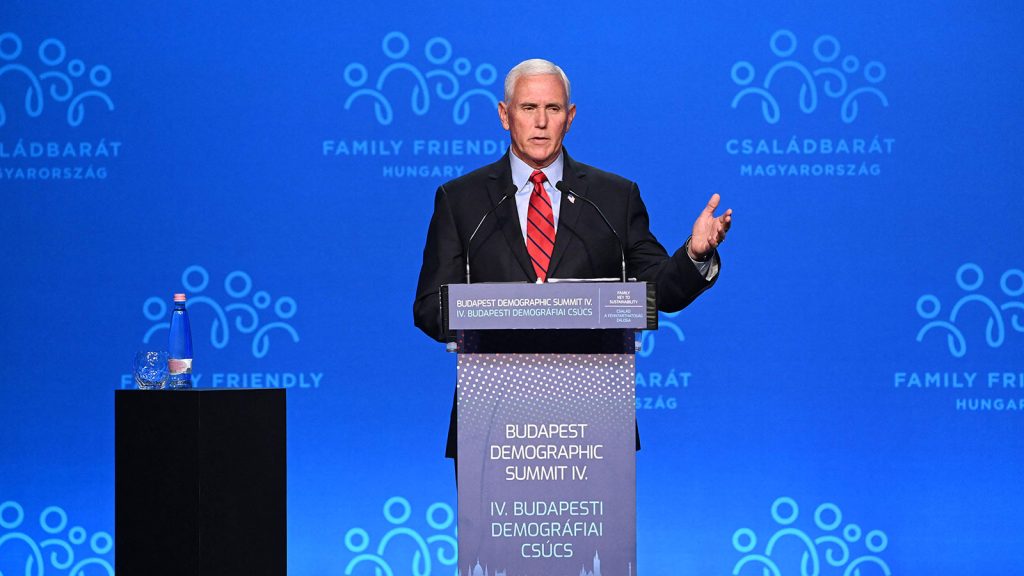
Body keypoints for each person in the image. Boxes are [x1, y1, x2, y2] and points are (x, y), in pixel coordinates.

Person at [414, 58, 732, 459]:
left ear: (571, 116)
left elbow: (659, 290)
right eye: (528, 108)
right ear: (504, 115)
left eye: (553, 108)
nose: (541, 122)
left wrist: (695, 254)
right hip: (491, 416)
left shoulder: (613, 197)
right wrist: (494, 315)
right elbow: (429, 307)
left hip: (594, 418)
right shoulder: (461, 200)